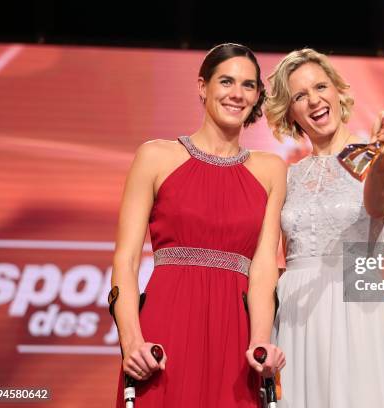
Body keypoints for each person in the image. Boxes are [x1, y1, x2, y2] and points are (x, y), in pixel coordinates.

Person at [111, 43, 286, 407]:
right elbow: (125, 261)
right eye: (226, 81)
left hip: (234, 339)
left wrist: (259, 342)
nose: (237, 94)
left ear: (257, 97)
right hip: (166, 327)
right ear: (202, 87)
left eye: (248, 85)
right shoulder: (155, 156)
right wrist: (131, 344)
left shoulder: (271, 169)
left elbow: (265, 267)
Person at [265, 48, 384, 407]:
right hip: (296, 315)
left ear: (338, 91)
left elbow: (379, 204)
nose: (314, 100)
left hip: (353, 311)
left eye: (320, 87)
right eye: (300, 96)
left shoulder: (381, 151)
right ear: (291, 112)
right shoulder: (289, 175)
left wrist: (378, 153)